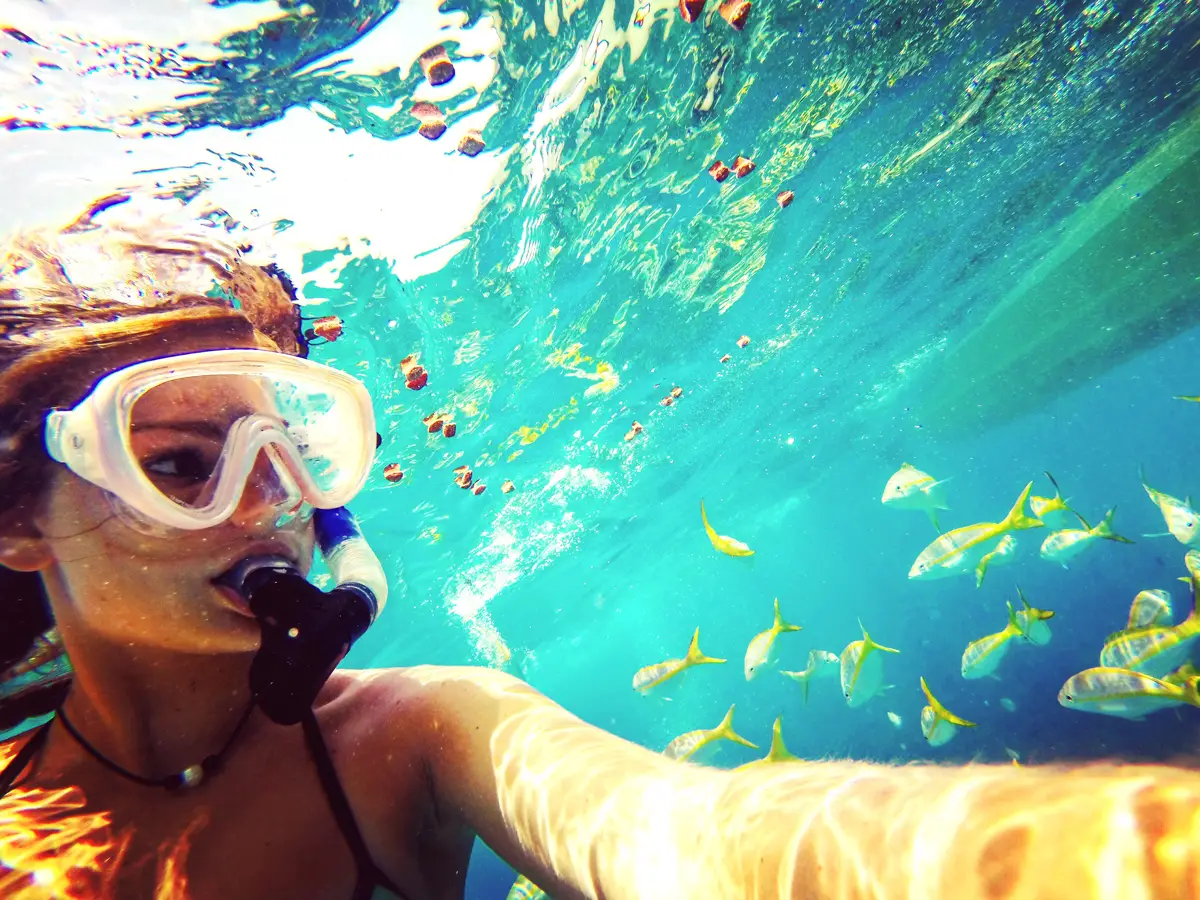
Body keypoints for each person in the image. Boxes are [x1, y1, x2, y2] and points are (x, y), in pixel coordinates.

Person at [0, 212, 1197, 900]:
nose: (268, 502)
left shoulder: (418, 734)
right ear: (16, 523)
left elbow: (704, 838)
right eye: (176, 463)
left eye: (294, 445)